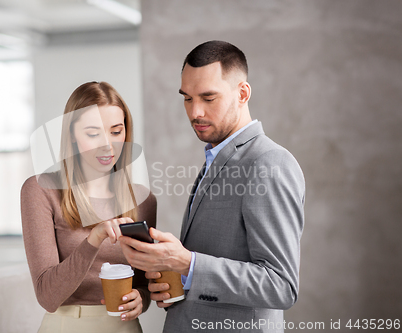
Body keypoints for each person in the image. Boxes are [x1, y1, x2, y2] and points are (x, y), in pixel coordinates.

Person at [119, 41, 305, 332]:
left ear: (242, 93)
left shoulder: (269, 162)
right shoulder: (216, 155)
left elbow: (280, 285)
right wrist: (179, 282)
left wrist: (189, 264)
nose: (195, 112)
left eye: (208, 98)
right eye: (187, 98)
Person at [21, 81, 156, 333]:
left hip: (124, 328)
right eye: (93, 134)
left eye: (116, 132)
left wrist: (142, 298)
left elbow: (143, 282)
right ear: (72, 134)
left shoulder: (143, 199)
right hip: (66, 325)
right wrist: (93, 240)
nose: (107, 145)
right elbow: (48, 297)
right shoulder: (41, 191)